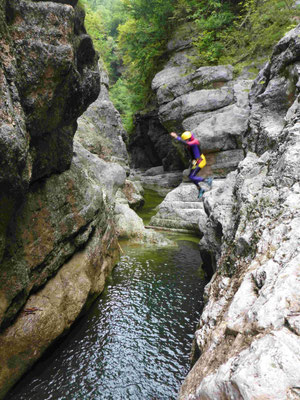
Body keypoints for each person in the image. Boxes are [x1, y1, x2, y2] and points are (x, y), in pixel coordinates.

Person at [170, 131, 212, 198]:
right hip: (195, 161)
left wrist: (176, 137)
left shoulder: (194, 142)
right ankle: (200, 189)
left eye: (186, 139)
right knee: (191, 176)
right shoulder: (189, 143)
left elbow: (188, 143)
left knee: (191, 176)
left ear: (189, 138)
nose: (186, 141)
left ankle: (207, 180)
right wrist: (192, 163)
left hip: (200, 161)